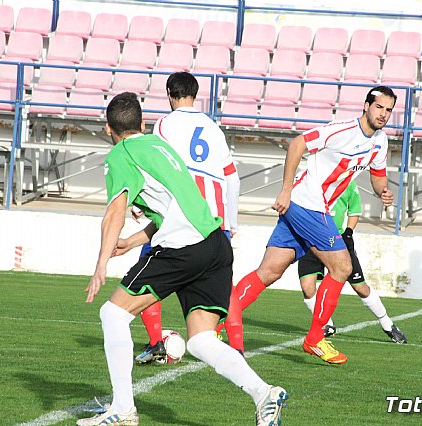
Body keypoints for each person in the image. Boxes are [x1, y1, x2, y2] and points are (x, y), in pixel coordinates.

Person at [77, 92, 287, 426]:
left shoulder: (122, 154)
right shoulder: (160, 147)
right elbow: (173, 206)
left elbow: (115, 210)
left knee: (112, 314)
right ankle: (265, 394)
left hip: (183, 247)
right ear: (142, 123)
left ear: (108, 129)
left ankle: (122, 410)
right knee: (202, 340)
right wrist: (132, 241)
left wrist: (101, 263)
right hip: (215, 243)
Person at [229, 86, 396, 366]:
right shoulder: (341, 130)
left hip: (308, 206)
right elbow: (298, 144)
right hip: (308, 204)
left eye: (389, 110)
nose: (384, 114)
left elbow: (378, 176)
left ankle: (218, 322)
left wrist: (383, 191)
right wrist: (284, 190)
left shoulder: (381, 141)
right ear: (366, 106)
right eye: (379, 107)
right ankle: (315, 338)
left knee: (269, 271)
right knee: (342, 267)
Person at [134, 72, 245, 364]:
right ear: (196, 95)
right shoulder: (213, 128)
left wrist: (142, 203)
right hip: (214, 224)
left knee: (146, 275)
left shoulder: (165, 124)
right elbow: (232, 180)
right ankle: (236, 347)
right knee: (222, 285)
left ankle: (157, 342)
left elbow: (157, 166)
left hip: (180, 218)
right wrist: (230, 223)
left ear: (170, 93)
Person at [297, 181, 407, 344]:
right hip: (311, 237)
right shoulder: (311, 179)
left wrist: (348, 234)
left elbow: (354, 211)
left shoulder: (349, 183)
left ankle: (387, 323)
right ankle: (327, 324)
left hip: (338, 239)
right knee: (307, 286)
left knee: (361, 288)